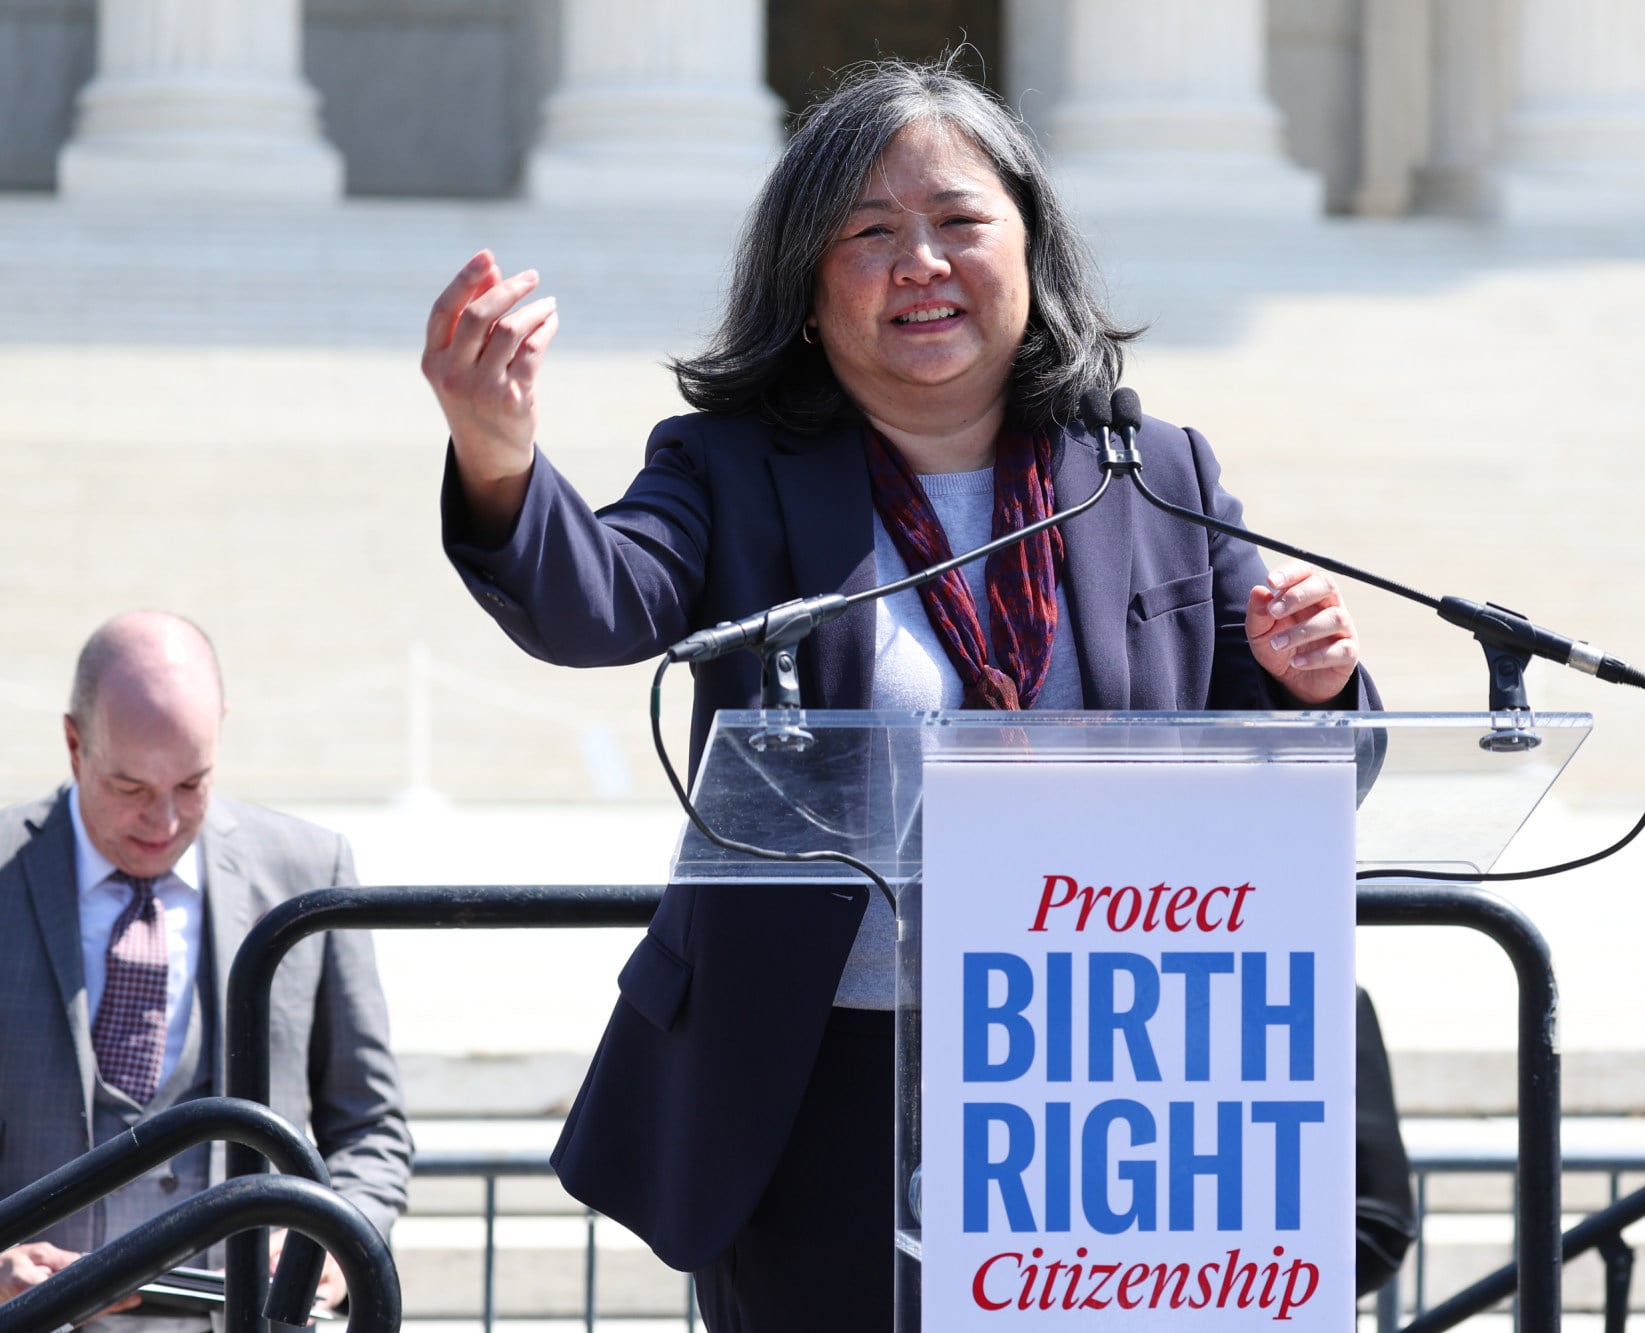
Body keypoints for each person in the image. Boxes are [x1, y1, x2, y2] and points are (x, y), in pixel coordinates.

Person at [424, 57, 1412, 1328]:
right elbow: (596, 599)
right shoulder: (730, 470)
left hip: (1107, 1072)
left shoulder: (1148, 469)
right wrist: (497, 456)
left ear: (1029, 246)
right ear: (805, 279)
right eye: (870, 233)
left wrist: (1311, 684)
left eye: (958, 222)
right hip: (824, 1077)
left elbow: (1303, 758)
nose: (921, 264)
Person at [0, 612, 411, 1323]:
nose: (161, 820)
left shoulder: (309, 870)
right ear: (73, 744)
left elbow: (371, 1127)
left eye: (192, 784)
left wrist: (333, 1242)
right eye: (129, 788)